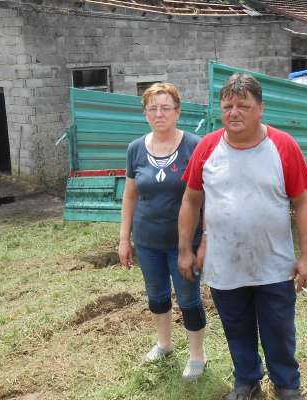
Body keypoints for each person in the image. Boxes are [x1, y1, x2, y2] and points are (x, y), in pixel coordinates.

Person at [177, 73, 307, 400]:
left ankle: (286, 385)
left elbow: (304, 203)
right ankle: (247, 382)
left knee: (278, 330)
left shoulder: (283, 146)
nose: (234, 112)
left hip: (274, 265)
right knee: (236, 328)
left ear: (260, 109)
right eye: (228, 106)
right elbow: (190, 199)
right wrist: (185, 248)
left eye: (243, 105)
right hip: (225, 265)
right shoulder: (207, 148)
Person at [118, 83, 207, 381]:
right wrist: (124, 239)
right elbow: (130, 196)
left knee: (189, 299)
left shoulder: (195, 145)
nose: (159, 113)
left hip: (184, 243)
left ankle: (197, 356)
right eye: (152, 108)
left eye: (165, 107)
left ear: (178, 111)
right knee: (156, 296)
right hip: (147, 242)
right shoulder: (135, 149)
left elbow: (208, 196)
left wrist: (205, 238)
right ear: (145, 114)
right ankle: (164, 344)